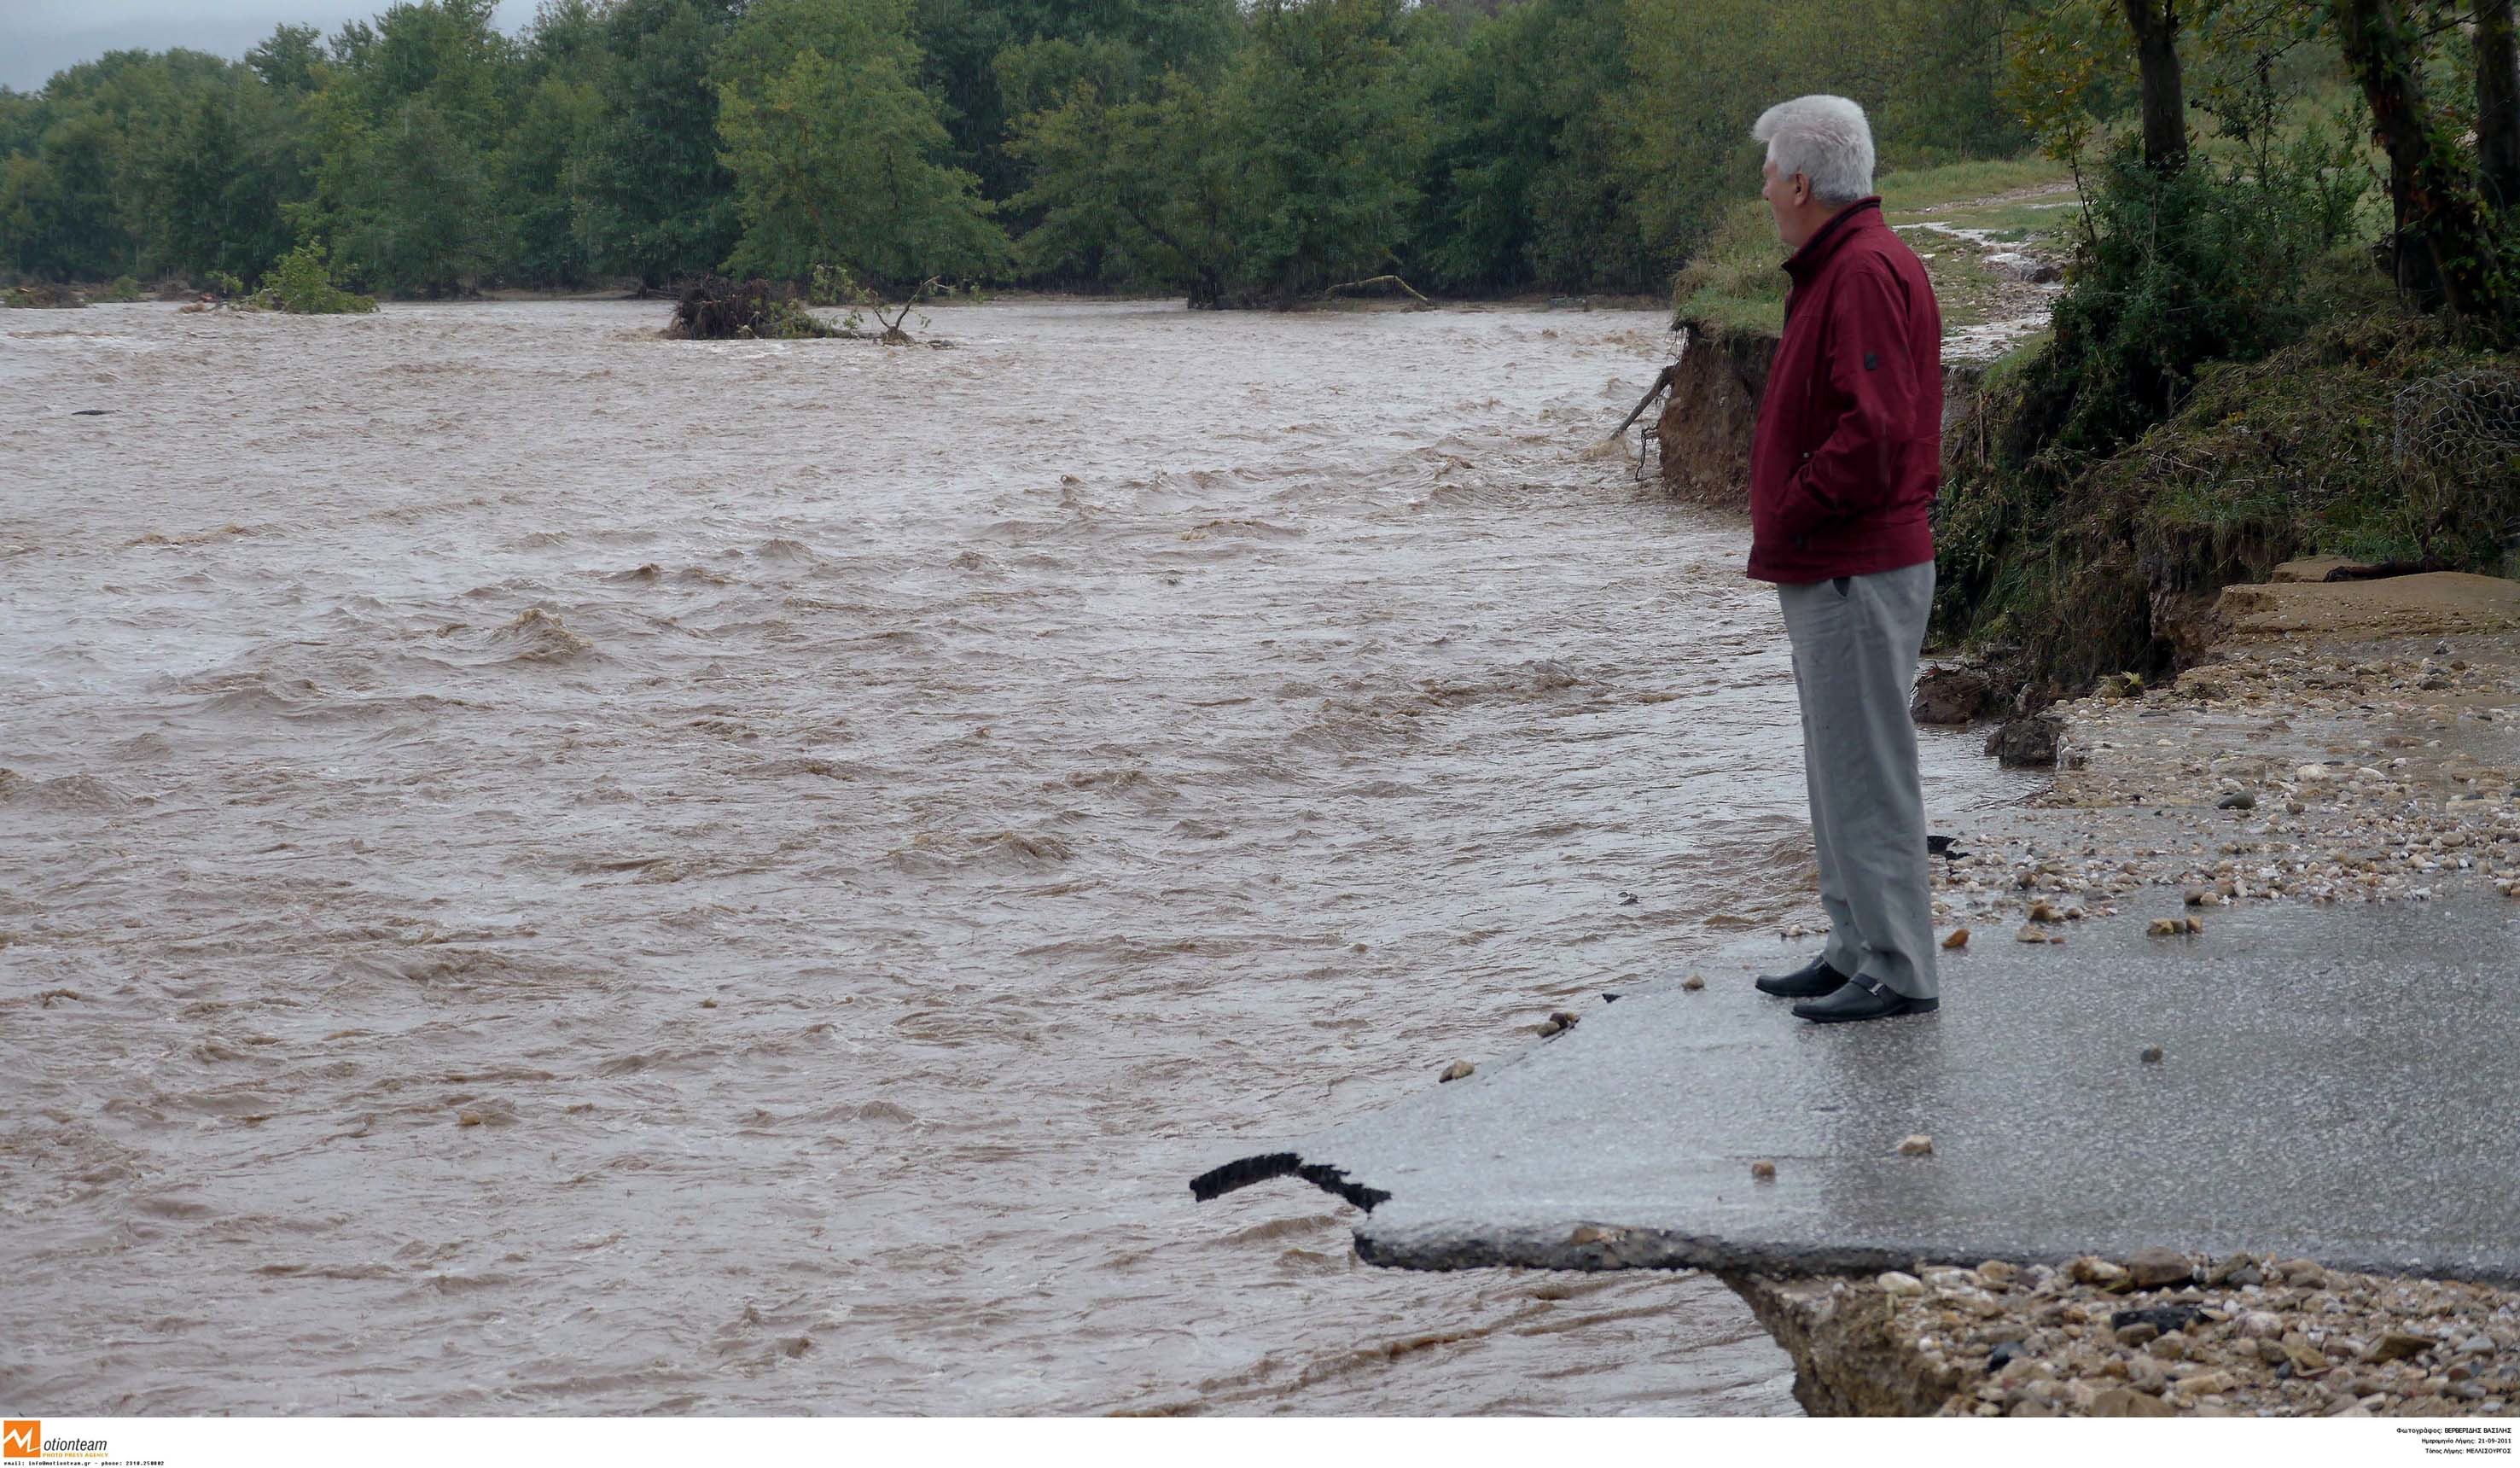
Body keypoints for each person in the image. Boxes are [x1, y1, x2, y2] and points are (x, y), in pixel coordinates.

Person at [1739, 96, 1945, 1024]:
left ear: (1801, 181)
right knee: (1837, 763)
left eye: (1769, 174)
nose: (1763, 191)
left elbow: (1875, 432)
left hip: (1852, 561)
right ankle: (1853, 945)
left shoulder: (1859, 269)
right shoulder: (1843, 263)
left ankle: (1898, 967)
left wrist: (1794, 508)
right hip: (1834, 561)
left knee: (1866, 767)